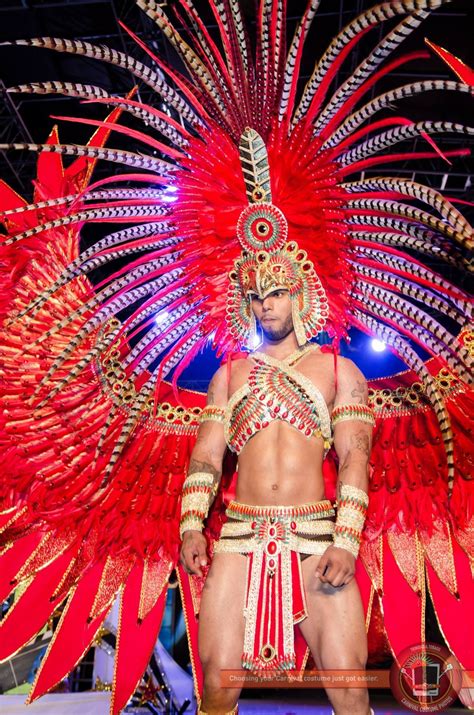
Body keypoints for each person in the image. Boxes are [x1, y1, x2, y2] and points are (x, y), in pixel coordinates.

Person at [180, 283, 375, 715]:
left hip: (316, 538)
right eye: (254, 295)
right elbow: (207, 457)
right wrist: (191, 525)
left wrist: (346, 541)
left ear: (302, 297)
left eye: (278, 291)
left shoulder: (340, 371)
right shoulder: (229, 374)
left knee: (350, 686)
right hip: (239, 537)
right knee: (216, 685)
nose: (264, 304)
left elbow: (354, 460)